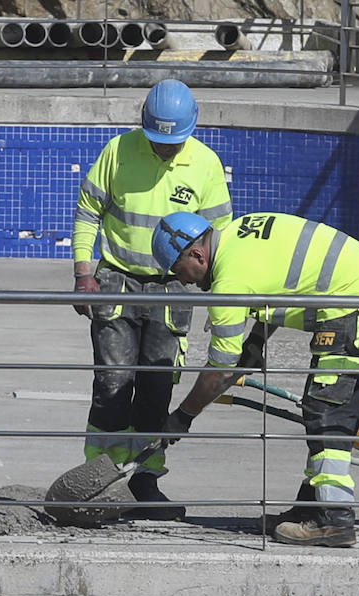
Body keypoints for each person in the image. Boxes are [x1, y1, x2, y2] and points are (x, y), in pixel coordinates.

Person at [151, 211, 359, 547]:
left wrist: (182, 417)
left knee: (327, 413)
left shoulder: (228, 284)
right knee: (322, 406)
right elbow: (279, 284)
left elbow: (220, 370)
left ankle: (335, 519)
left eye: (181, 271)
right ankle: (309, 510)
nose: (186, 282)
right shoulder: (240, 232)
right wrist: (254, 344)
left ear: (197, 254)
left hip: (355, 308)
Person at [72, 78, 233, 520]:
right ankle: (97, 478)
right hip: (118, 284)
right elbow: (89, 212)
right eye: (157, 140)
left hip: (175, 288)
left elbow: (222, 239)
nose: (164, 149)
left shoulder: (206, 164)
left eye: (172, 143)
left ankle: (144, 478)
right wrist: (84, 273)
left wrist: (219, 298)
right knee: (112, 383)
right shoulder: (118, 152)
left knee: (157, 387)